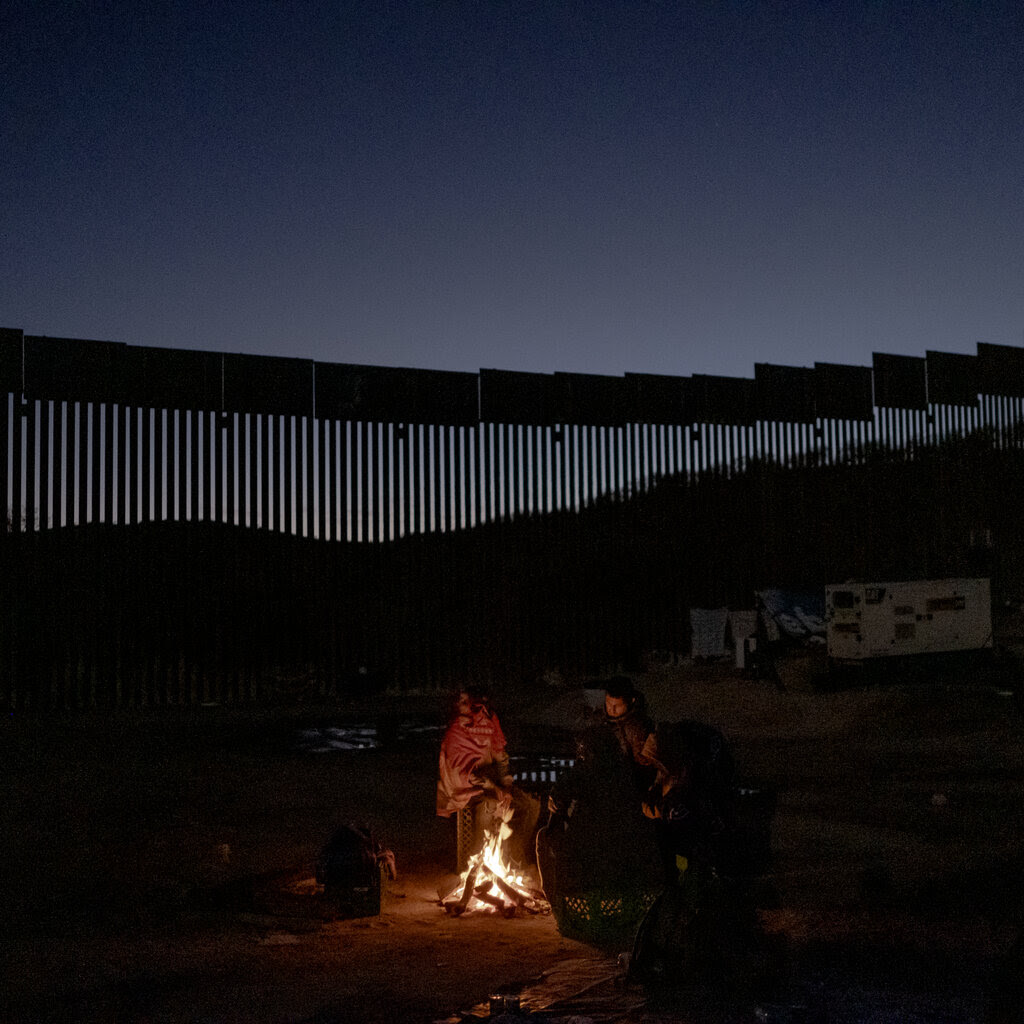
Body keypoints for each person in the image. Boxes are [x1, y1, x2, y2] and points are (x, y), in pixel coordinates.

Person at [436, 685, 538, 873]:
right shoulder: (455, 732)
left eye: (467, 702)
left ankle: (514, 858)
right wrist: (493, 788)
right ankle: (475, 868)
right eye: (460, 702)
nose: (464, 706)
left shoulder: (486, 723)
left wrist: (506, 785)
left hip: (493, 784)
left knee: (531, 806)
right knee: (489, 807)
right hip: (467, 789)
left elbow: (500, 756)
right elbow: (461, 773)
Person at [601, 676, 657, 793]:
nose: (612, 709)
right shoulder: (600, 722)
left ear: (631, 700)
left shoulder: (639, 728)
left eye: (618, 706)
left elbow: (644, 770)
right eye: (609, 704)